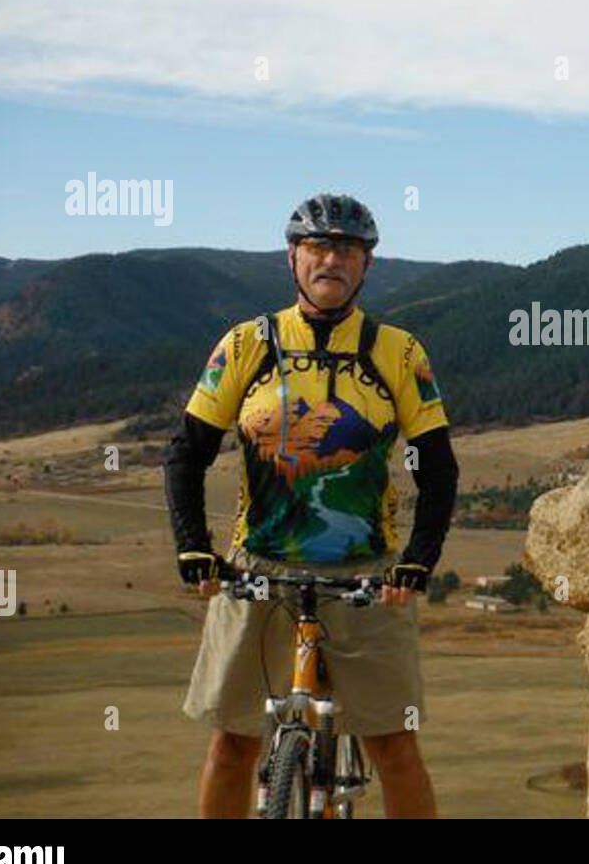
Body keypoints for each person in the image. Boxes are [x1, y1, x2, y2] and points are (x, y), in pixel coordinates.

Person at [164, 193, 459, 818]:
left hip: (368, 578)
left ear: (367, 266)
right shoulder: (245, 345)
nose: (333, 260)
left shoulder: (399, 352)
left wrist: (418, 559)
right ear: (293, 257)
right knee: (231, 745)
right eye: (319, 247)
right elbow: (186, 452)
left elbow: (438, 465)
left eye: (349, 250)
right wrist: (194, 544)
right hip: (257, 572)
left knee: (395, 746)